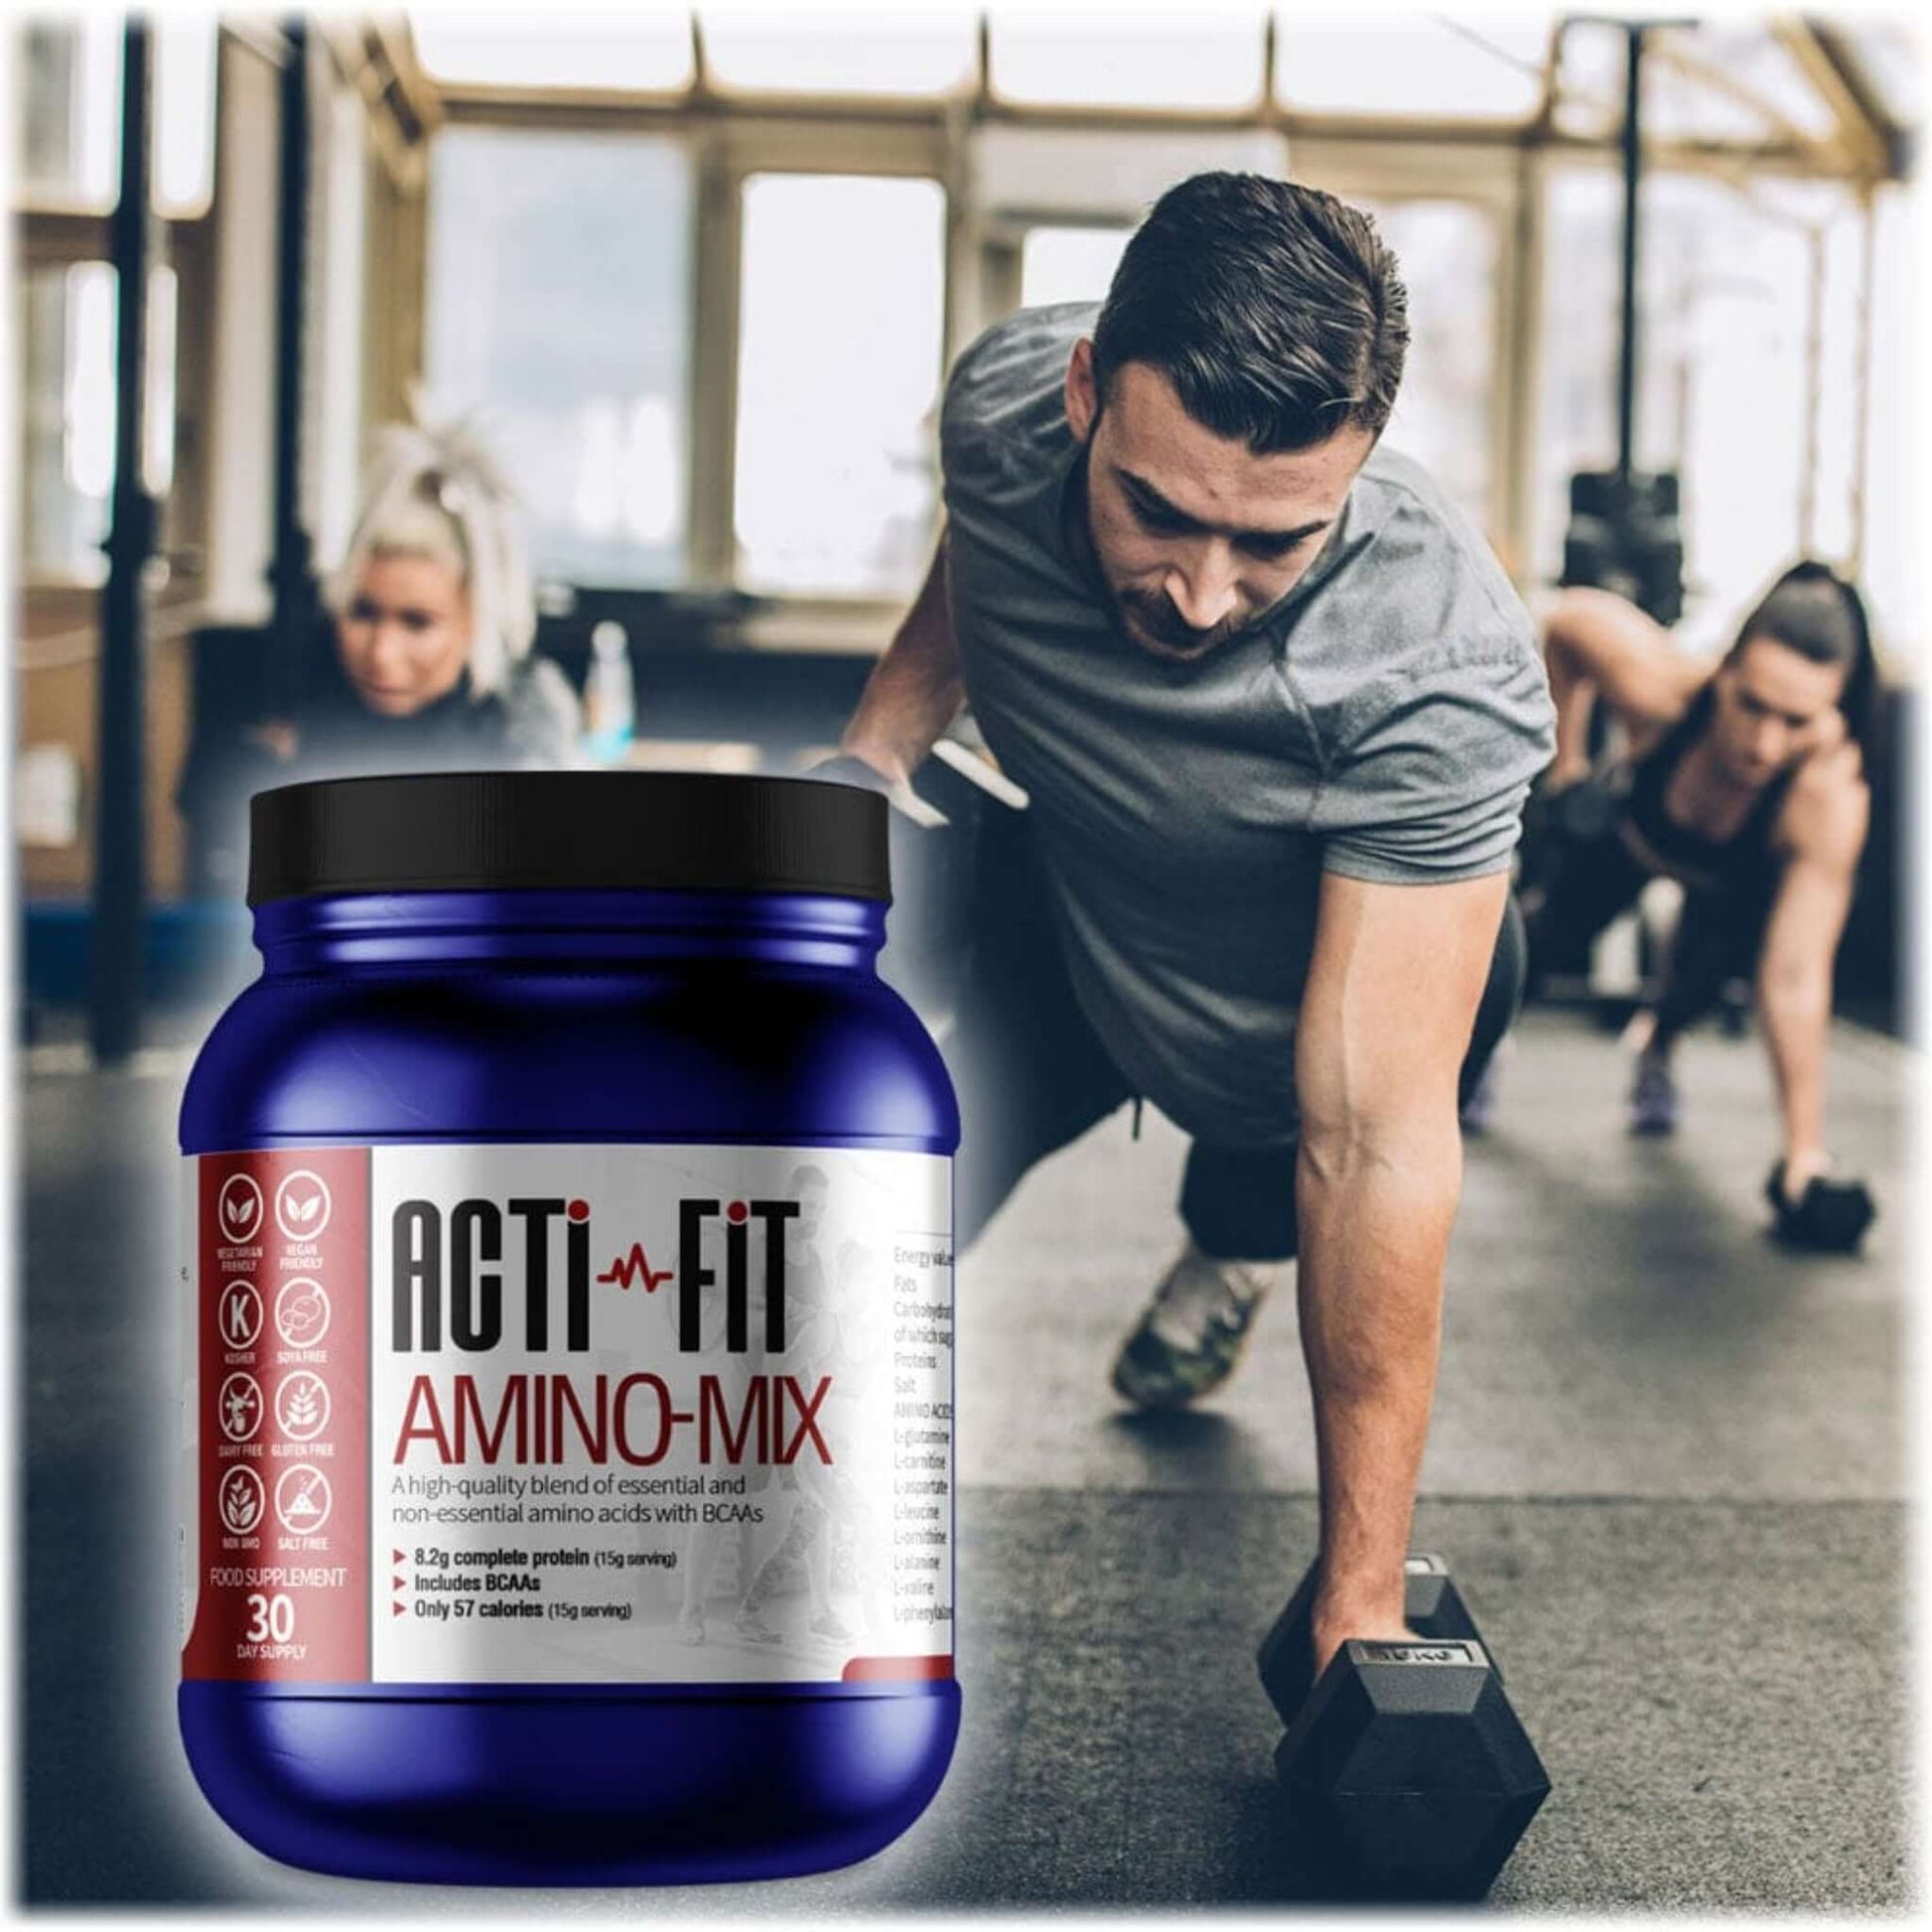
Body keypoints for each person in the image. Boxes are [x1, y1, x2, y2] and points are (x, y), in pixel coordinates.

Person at [831, 172, 1556, 1688]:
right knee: (860, 1241)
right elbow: (990, 552)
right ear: (1087, 391)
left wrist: (1360, 1600)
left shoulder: (1434, 663)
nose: (1201, 592)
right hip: (1083, 904)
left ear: (1355, 467)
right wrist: (882, 737)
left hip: (1303, 1002)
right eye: (1154, 509)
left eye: (1273, 544)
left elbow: (1371, 1144)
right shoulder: (1002, 399)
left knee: (1281, 1172)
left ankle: (1223, 1258)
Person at [1522, 562, 1878, 1249]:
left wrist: (1805, 1155)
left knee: (1695, 989)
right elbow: (1565, 624)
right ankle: (1485, 1058)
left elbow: (1798, 976)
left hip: (1727, 886)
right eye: (1750, 704)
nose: (1763, 744)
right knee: (1535, 946)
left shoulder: (1827, 799)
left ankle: (1658, 1047)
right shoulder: (1661, 689)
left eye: (1796, 721)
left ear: (1832, 711)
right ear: (1725, 669)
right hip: (1628, 836)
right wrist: (1564, 775)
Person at [178, 418, 583, 837]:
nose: (381, 653)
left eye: (417, 622)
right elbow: (210, 815)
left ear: (473, 622)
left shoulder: (527, 720)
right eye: (363, 613)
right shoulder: (284, 685)